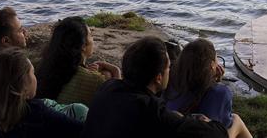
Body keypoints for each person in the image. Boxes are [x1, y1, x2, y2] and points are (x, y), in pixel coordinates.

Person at [82, 37, 228, 138]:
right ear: (158, 78)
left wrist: (116, 72)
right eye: (168, 68)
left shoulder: (107, 88)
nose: (170, 72)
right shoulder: (152, 112)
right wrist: (204, 122)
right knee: (235, 123)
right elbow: (218, 134)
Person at [0, 48, 83, 138]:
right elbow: (84, 131)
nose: (35, 78)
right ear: (23, 86)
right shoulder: (35, 113)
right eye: (33, 73)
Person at [165, 39, 252, 138]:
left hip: (174, 132)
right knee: (236, 120)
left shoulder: (171, 85)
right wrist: (217, 85)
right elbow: (219, 131)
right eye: (216, 58)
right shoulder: (219, 93)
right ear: (212, 66)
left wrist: (214, 83)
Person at [36, 16, 121, 106]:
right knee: (107, 74)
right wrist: (116, 71)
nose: (93, 39)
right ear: (83, 46)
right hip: (77, 119)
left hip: (44, 117)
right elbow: (116, 106)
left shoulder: (42, 67)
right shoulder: (95, 80)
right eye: (91, 35)